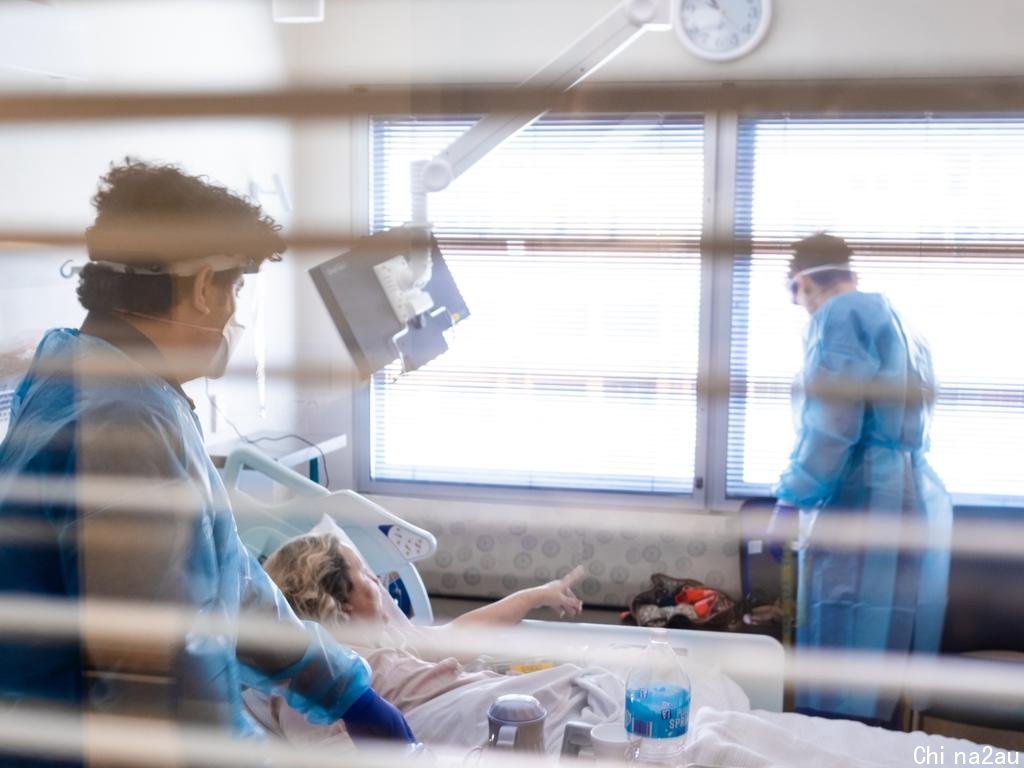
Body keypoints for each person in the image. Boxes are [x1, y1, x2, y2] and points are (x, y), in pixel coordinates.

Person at [0, 160, 414, 767]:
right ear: (202, 285)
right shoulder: (123, 425)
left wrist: (343, 688)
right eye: (235, 288)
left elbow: (226, 580)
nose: (232, 313)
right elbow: (171, 682)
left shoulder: (75, 371)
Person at [768, 233, 953, 727]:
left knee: (840, 661)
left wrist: (791, 498)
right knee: (879, 657)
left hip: (860, 500)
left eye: (798, 299)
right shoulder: (905, 326)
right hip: (905, 498)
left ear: (803, 283)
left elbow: (832, 423)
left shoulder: (840, 316)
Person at [243, 532, 585, 750]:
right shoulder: (311, 682)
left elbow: (463, 632)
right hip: (466, 727)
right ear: (341, 600)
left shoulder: (386, 640)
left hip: (496, 708)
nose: (377, 580)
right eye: (364, 573)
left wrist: (540, 594)